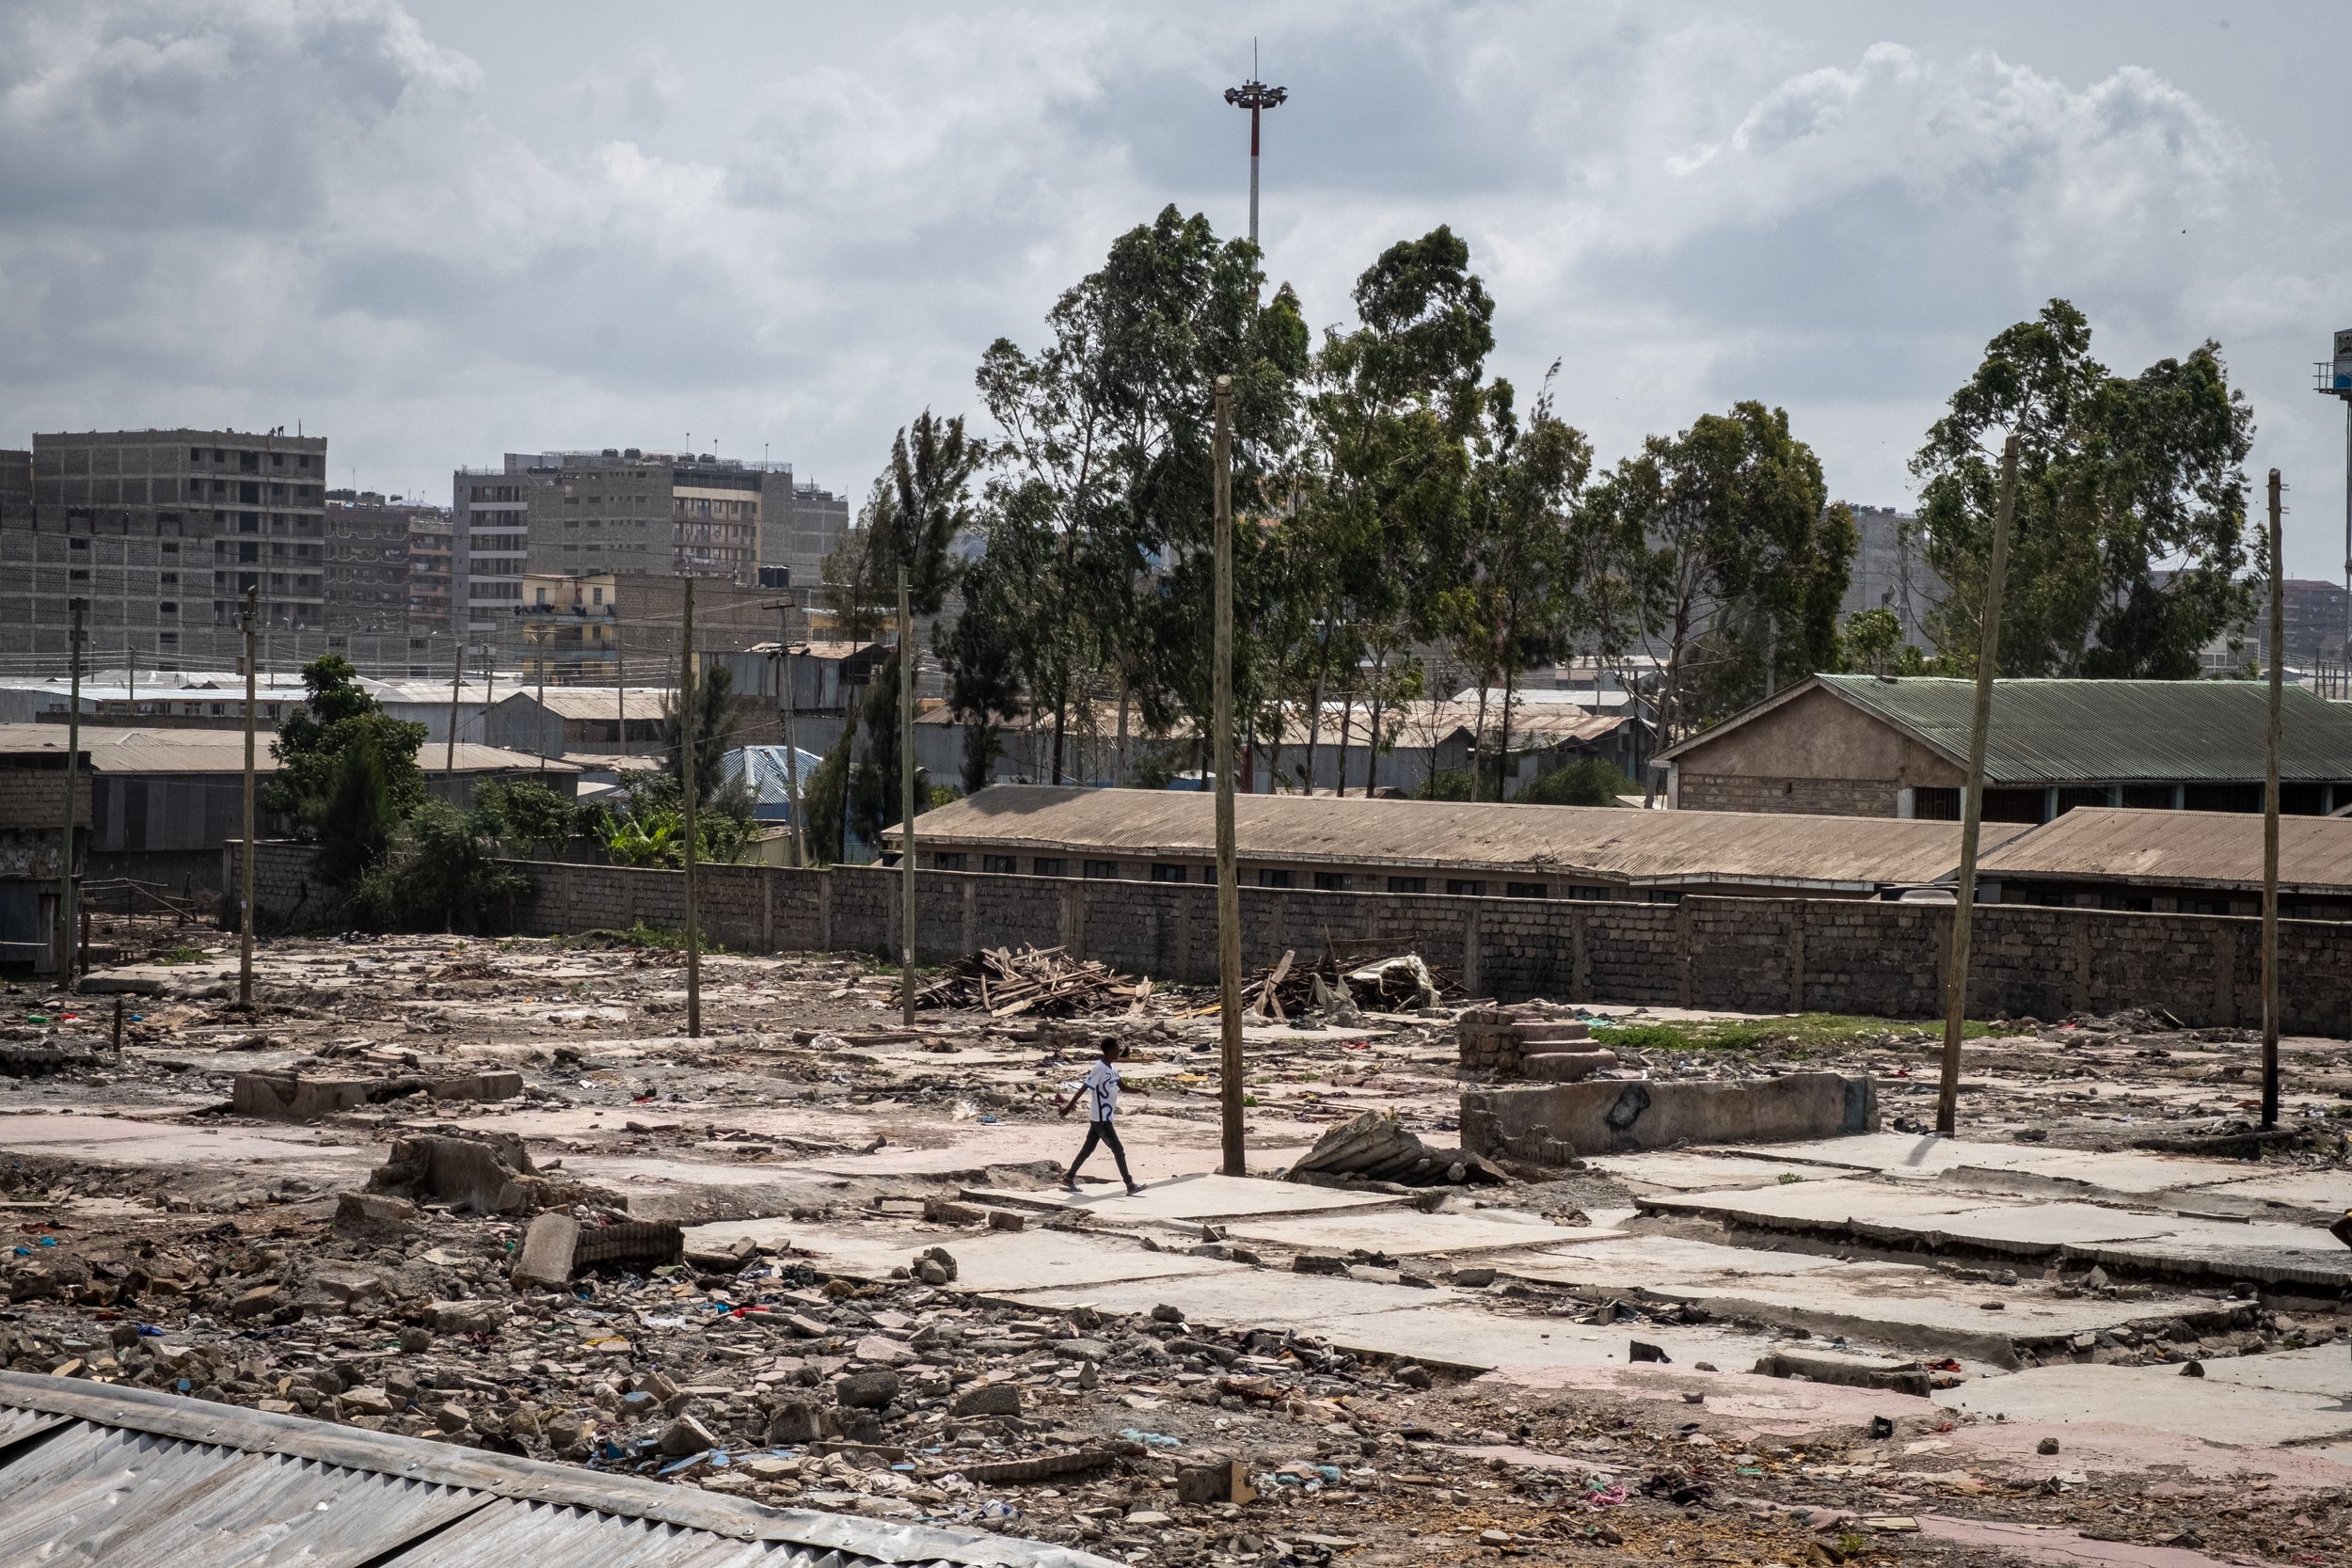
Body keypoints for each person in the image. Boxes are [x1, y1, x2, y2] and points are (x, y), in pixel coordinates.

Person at [1058, 1037, 1144, 1195]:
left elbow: (1123, 1087)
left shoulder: (1111, 1067)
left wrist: (1140, 1090)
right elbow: (1084, 1088)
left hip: (1103, 1118)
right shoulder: (1099, 1068)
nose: (1119, 1051)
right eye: (1117, 1048)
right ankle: (1130, 1184)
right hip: (1101, 1119)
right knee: (1118, 1149)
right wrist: (1068, 1107)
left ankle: (1069, 1177)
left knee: (1087, 1149)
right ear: (1110, 1050)